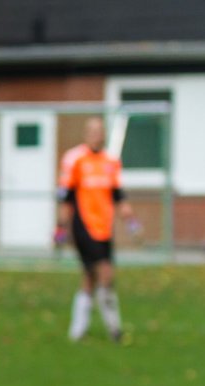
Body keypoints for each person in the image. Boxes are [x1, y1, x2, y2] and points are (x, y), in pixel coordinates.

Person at [55, 117, 138, 342]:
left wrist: (132, 223)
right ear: (86, 133)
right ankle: (115, 330)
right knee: (105, 274)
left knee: (89, 279)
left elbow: (118, 195)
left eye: (99, 131)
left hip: (104, 228)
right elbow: (66, 197)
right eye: (92, 130)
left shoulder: (111, 161)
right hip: (84, 226)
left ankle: (77, 331)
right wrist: (60, 229)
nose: (96, 134)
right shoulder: (74, 159)